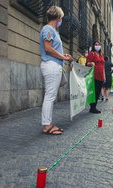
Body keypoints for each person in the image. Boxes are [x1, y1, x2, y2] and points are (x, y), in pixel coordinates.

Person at [40, 6, 73, 135]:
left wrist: (63, 56)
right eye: (61, 18)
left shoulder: (52, 30)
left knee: (50, 96)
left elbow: (52, 48)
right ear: (58, 17)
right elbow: (47, 48)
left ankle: (48, 123)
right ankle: (47, 126)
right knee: (50, 96)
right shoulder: (48, 29)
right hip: (51, 65)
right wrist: (62, 57)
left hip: (53, 64)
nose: (61, 21)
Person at [86, 41, 105, 113]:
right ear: (93, 46)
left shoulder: (101, 55)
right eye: (96, 45)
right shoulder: (92, 54)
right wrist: (91, 63)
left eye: (99, 45)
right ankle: (92, 107)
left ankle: (94, 107)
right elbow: (87, 63)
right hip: (94, 75)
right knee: (94, 92)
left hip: (101, 76)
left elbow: (103, 66)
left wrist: (104, 76)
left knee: (98, 92)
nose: (97, 46)